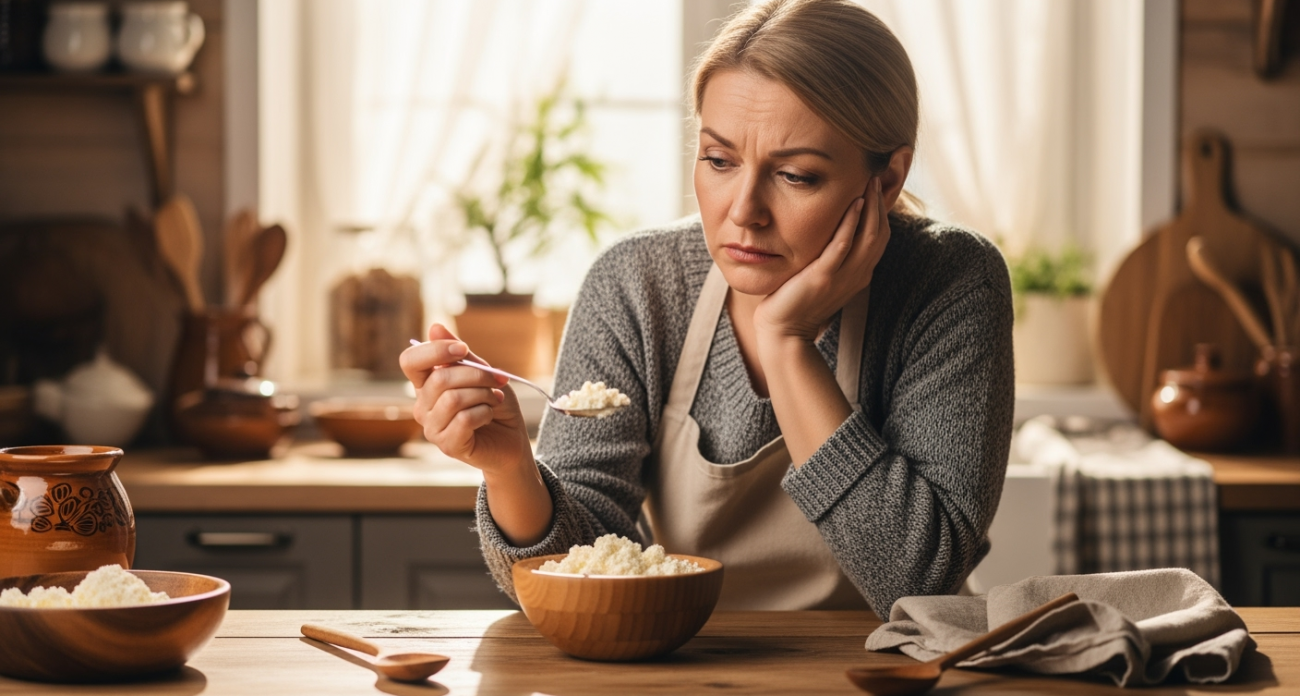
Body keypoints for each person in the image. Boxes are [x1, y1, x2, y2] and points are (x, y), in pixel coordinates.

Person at [400, 0, 1014, 617]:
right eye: (719, 160)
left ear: (884, 182)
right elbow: (583, 573)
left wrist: (786, 341)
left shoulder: (950, 280)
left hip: (891, 669)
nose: (743, 209)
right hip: (681, 663)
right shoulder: (638, 283)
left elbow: (919, 581)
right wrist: (511, 472)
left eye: (796, 175)